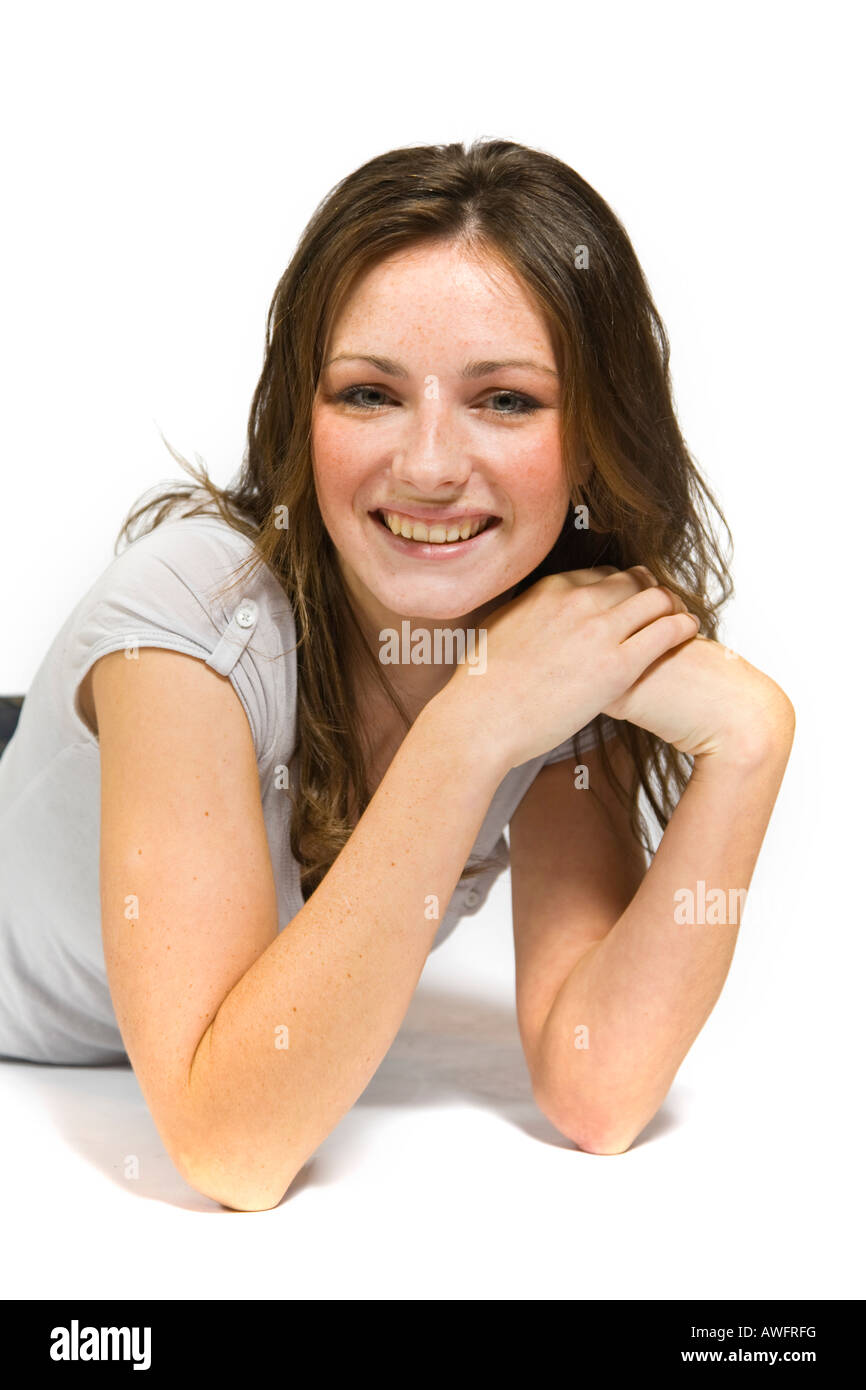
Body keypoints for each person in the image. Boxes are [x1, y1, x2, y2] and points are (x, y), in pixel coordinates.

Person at [0, 138, 795, 1211]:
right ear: (302, 412)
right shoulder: (185, 618)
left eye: (505, 400)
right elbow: (231, 1147)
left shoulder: (552, 649)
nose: (425, 465)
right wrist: (471, 729)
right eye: (369, 393)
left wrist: (750, 744)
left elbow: (598, 1089)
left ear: (592, 438)